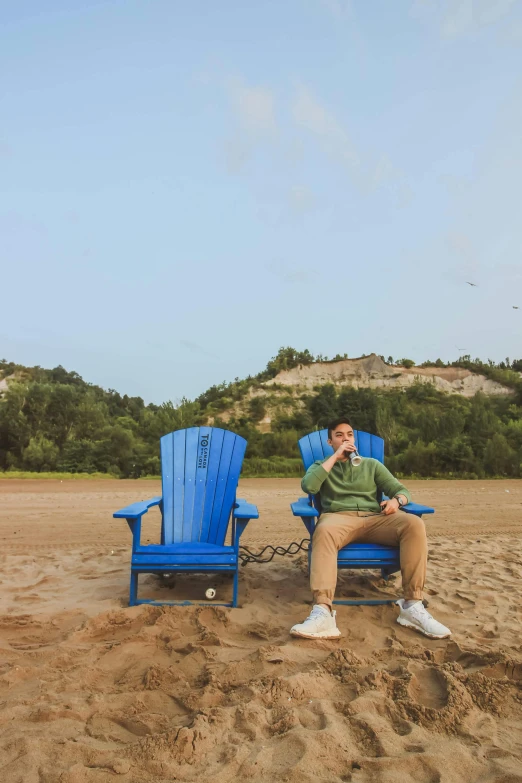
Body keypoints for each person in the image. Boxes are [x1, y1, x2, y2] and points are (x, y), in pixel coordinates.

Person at [290, 418, 451, 641]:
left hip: (375, 518)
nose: (346, 439)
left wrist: (397, 501)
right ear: (330, 441)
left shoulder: (371, 464)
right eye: (339, 435)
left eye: (349, 435)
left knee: (414, 524)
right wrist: (335, 458)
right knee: (323, 530)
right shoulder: (321, 466)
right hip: (338, 519)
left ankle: (413, 606)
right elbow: (309, 486)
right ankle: (323, 611)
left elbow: (402, 490)